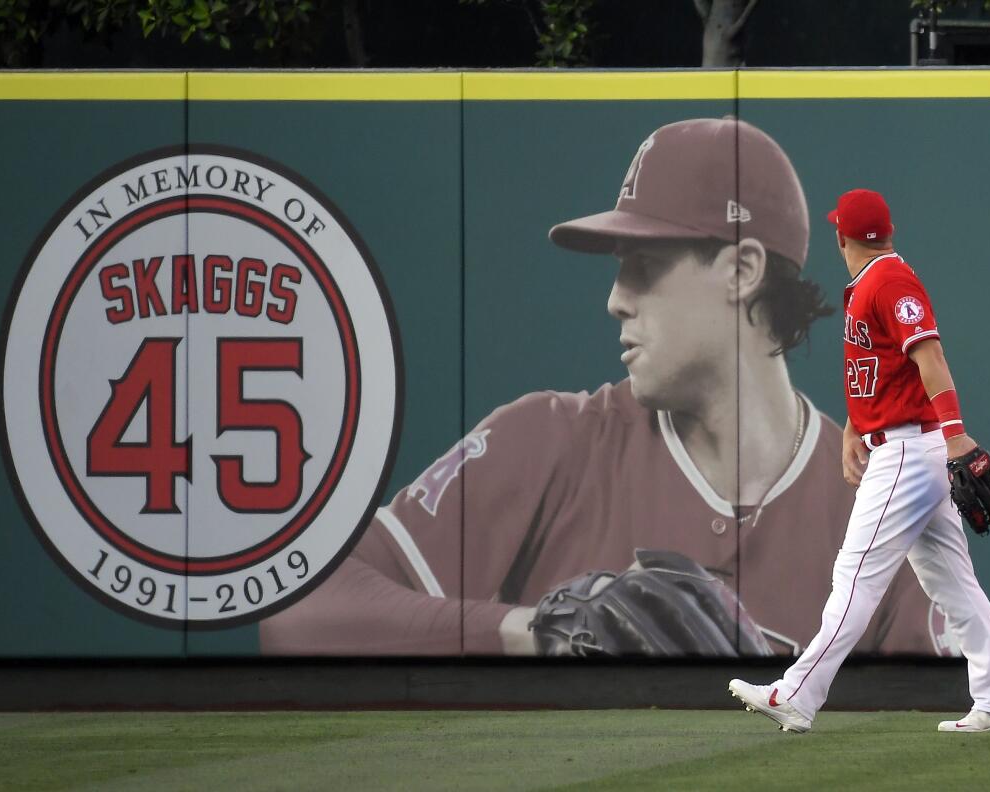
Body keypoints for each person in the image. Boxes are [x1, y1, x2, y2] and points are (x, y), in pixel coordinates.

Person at [259, 120, 949, 658]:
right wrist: (537, 632)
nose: (616, 300)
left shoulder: (881, 504)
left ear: (741, 269)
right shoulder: (547, 442)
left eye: (644, 264)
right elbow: (299, 609)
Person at [729, 189, 990, 732]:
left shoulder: (890, 281)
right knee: (953, 584)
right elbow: (884, 368)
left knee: (856, 575)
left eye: (837, 230)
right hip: (904, 444)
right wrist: (854, 427)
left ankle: (795, 692)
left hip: (911, 454)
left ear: (842, 236)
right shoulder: (872, 283)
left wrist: (957, 437)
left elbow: (929, 357)